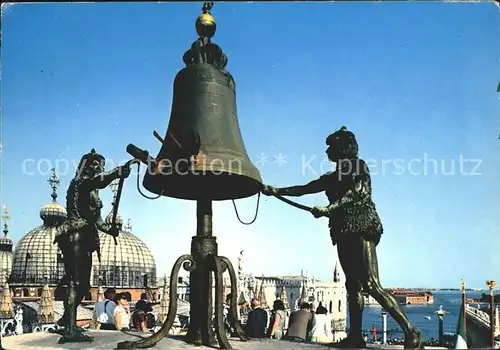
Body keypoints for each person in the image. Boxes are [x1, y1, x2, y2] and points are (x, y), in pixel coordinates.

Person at [262, 126, 421, 349]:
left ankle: (411, 331)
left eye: (332, 147)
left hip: (362, 226)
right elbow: (305, 189)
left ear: (343, 149)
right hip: (342, 231)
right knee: (352, 286)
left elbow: (357, 192)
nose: (328, 151)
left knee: (371, 283)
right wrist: (277, 191)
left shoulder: (358, 167)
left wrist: (329, 209)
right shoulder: (331, 177)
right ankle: (355, 337)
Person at [53, 149, 130, 343]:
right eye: (95, 165)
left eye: (101, 165)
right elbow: (101, 180)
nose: (99, 168)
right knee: (75, 282)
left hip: (86, 237)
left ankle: (66, 318)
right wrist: (117, 172)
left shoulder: (93, 190)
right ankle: (70, 328)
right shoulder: (81, 183)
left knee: (85, 284)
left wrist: (110, 230)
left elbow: (97, 221)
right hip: (73, 236)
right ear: (86, 166)